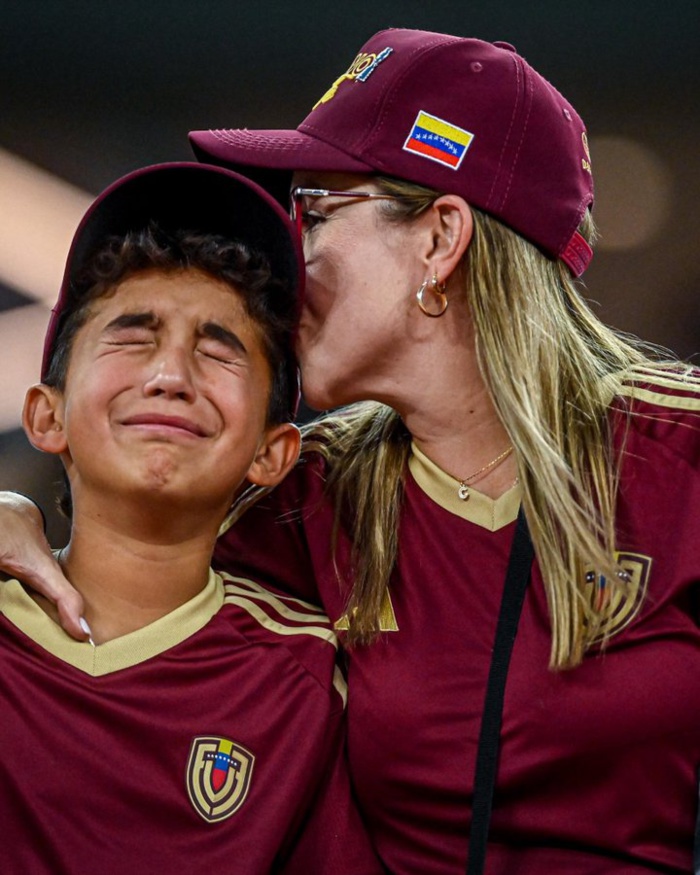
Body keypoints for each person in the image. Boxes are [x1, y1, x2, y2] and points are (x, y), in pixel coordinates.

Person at [2, 27, 699, 874]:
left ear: (441, 240)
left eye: (316, 214)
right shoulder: (308, 491)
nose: (289, 262)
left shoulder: (682, 457)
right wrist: (13, 514)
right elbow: (130, 556)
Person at [0, 162, 381, 874]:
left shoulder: (305, 680)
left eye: (217, 350)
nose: (171, 375)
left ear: (273, 453)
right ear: (45, 415)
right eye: (131, 337)